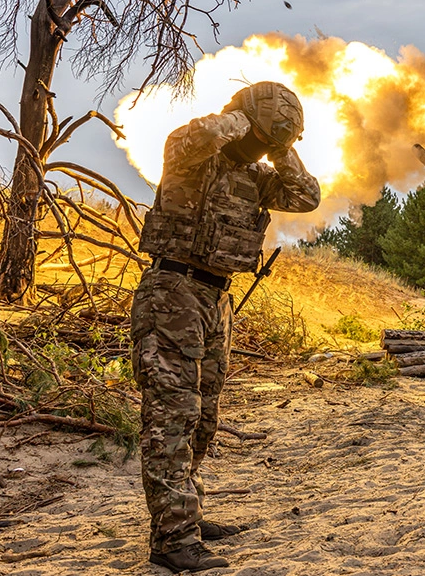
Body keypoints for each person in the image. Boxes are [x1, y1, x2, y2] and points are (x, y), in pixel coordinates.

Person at [131, 81, 321, 571]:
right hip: (172, 291)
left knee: (203, 418)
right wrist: (242, 118)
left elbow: (307, 196)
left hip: (216, 299)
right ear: (238, 119)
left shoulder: (257, 178)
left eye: (267, 142)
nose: (257, 146)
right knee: (172, 415)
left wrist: (281, 148)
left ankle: (188, 517)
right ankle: (173, 539)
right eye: (259, 136)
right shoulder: (191, 157)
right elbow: (187, 140)